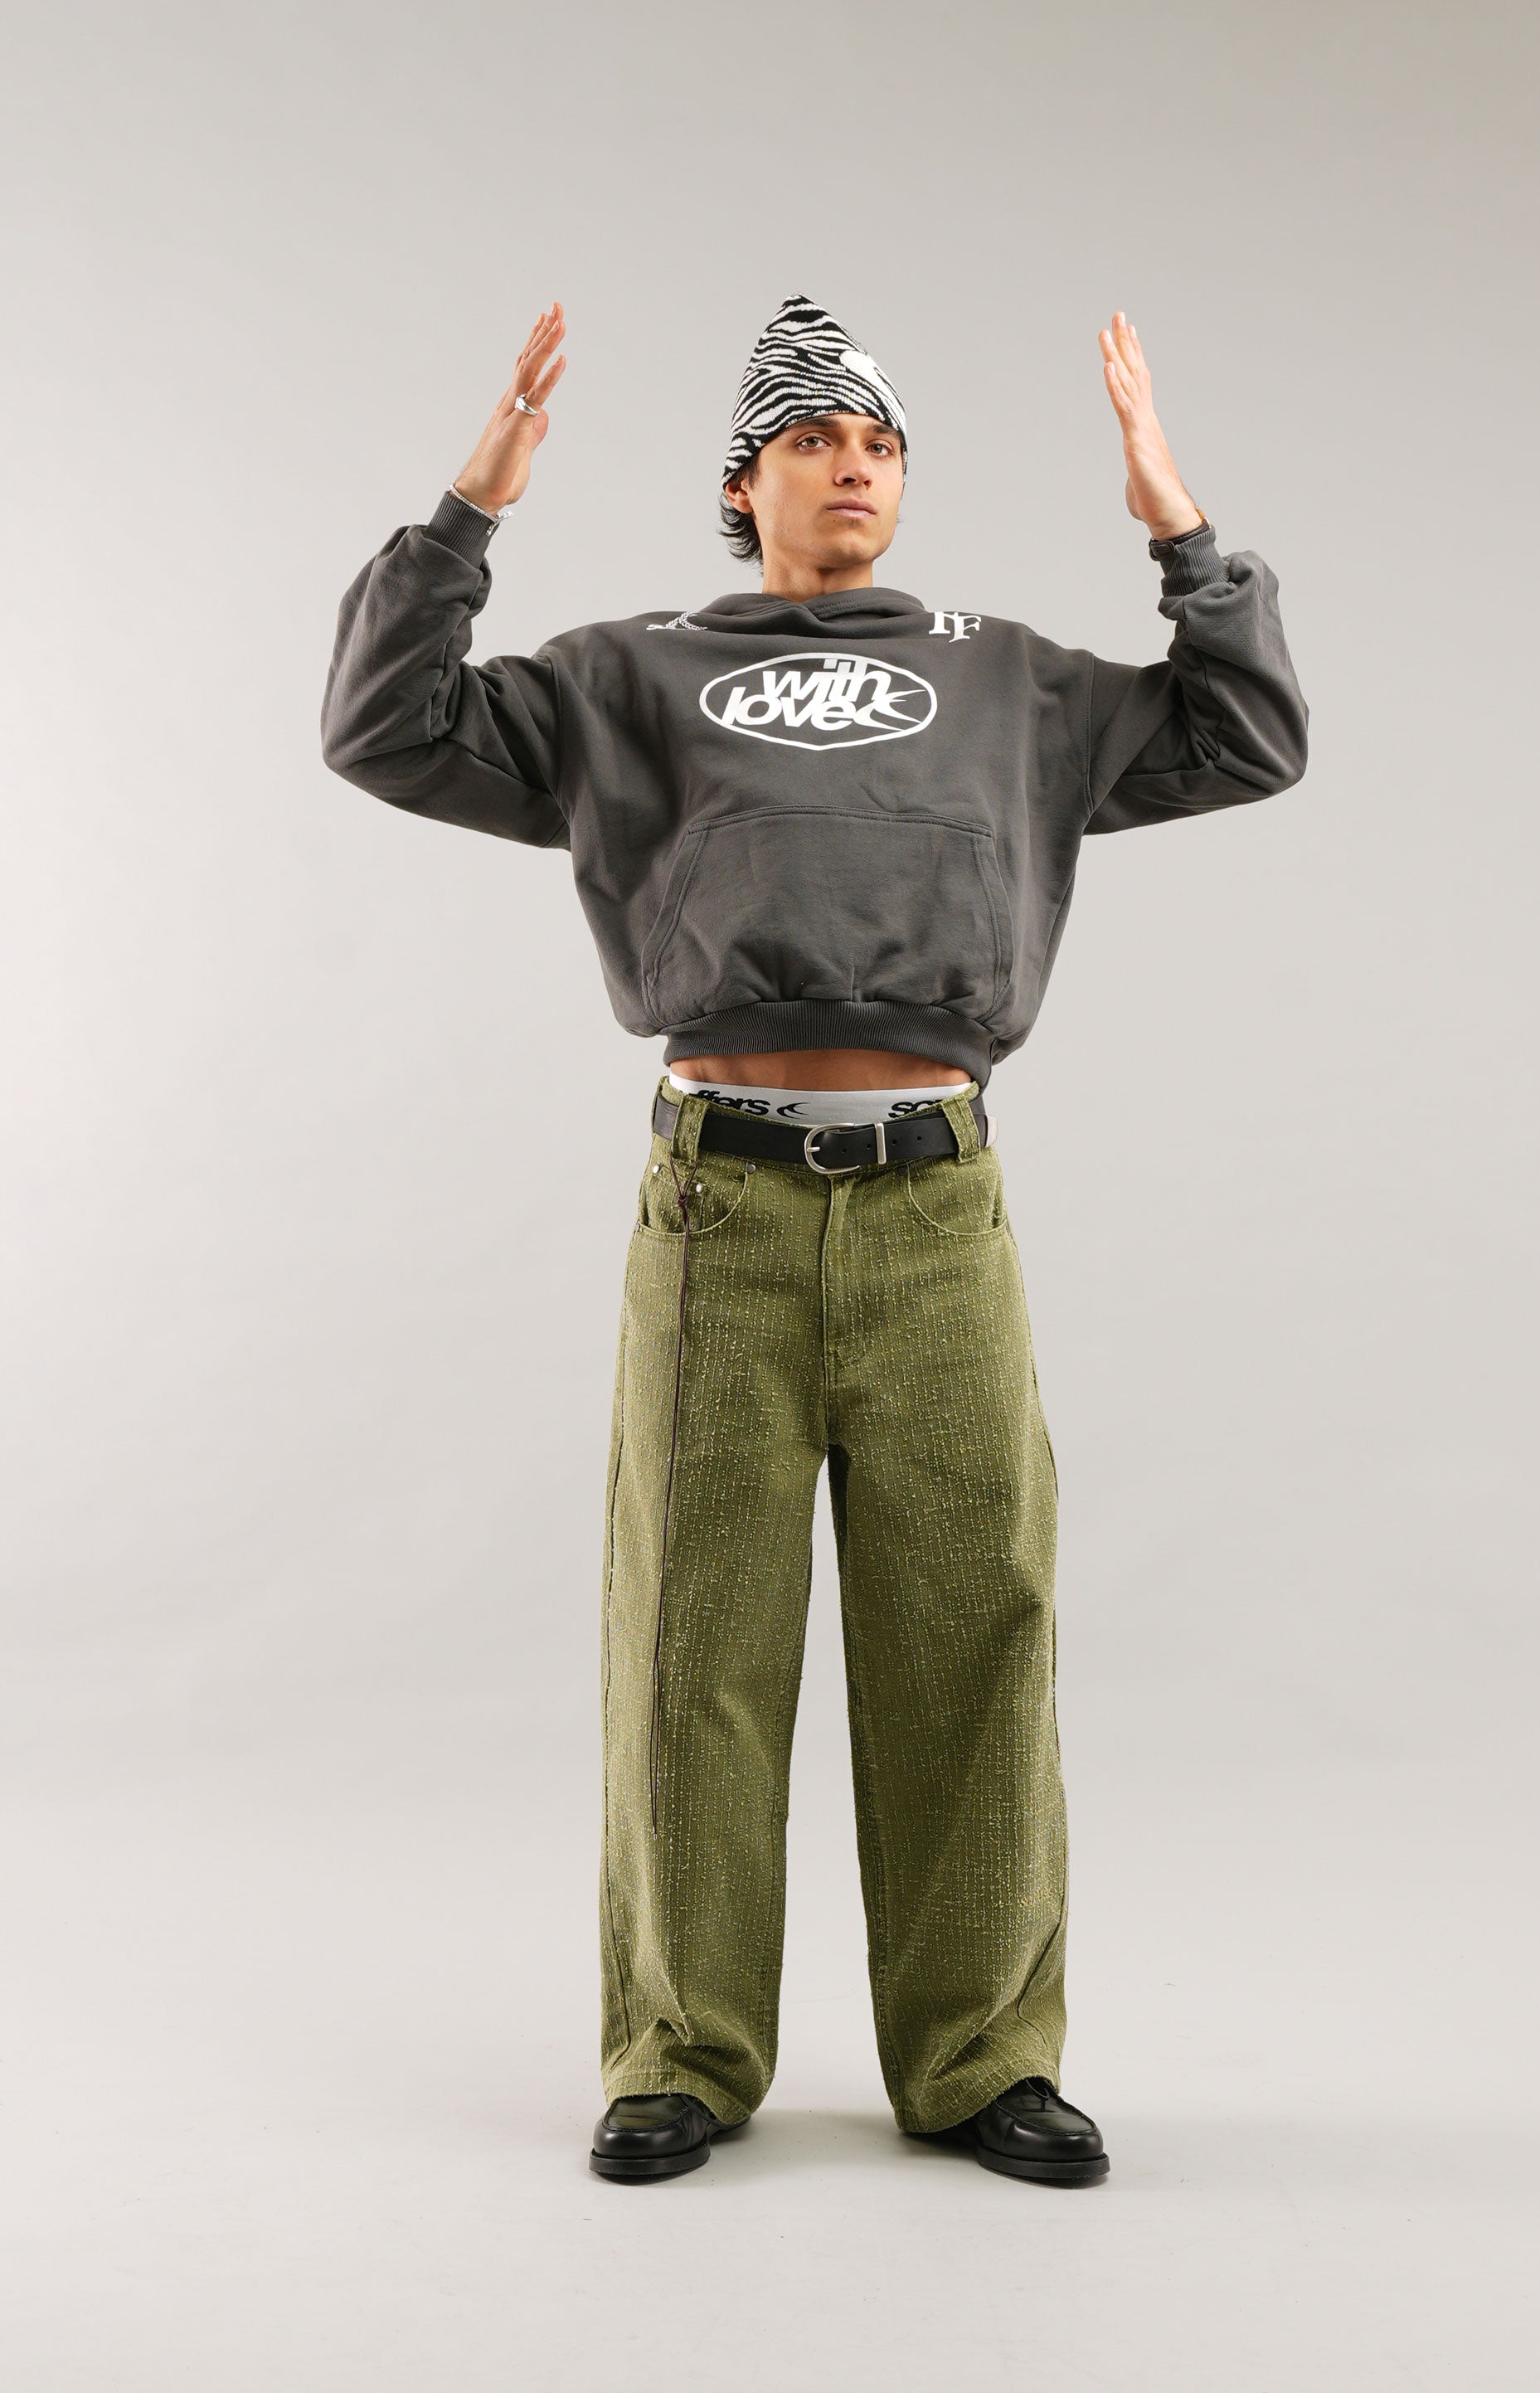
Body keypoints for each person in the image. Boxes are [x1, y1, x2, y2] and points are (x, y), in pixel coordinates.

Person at [320, 291, 1309, 2187]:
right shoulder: (631, 674)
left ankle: (978, 2059)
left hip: (936, 1199)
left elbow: (1245, 737)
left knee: (970, 1629)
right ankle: (680, 2052)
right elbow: (384, 728)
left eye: (879, 443)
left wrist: (1177, 529)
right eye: (810, 440)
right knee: (693, 1638)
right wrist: (469, 511)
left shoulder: (1011, 680)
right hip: (721, 1206)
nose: (851, 468)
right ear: (741, 485)